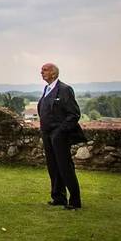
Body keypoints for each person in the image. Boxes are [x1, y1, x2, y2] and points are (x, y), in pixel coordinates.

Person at [38, 63, 87, 210]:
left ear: (53, 73)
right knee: (53, 166)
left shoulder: (64, 90)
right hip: (47, 134)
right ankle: (58, 197)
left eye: (44, 70)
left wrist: (60, 131)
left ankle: (75, 200)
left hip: (60, 135)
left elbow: (74, 114)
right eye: (41, 70)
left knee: (65, 167)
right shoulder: (47, 89)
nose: (41, 72)